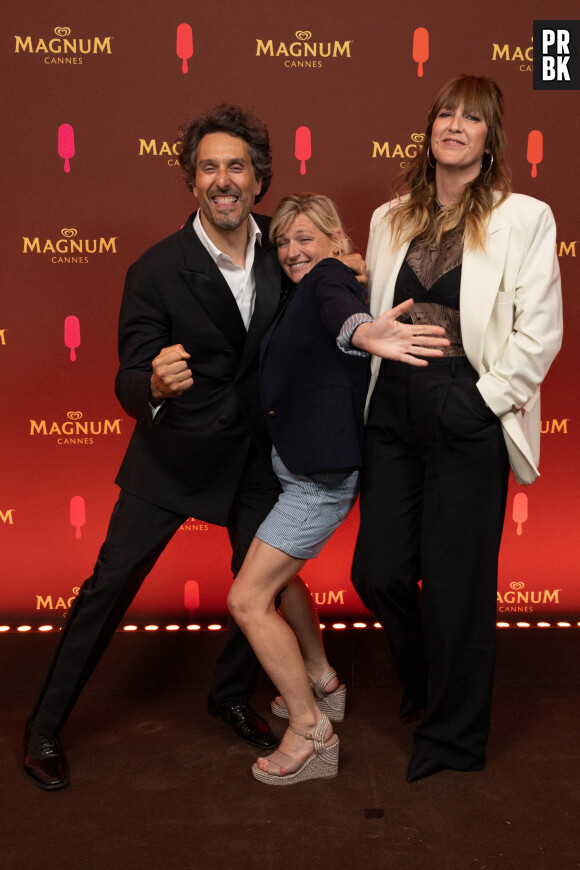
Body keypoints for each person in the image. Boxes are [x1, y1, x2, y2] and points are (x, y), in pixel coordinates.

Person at [23, 104, 293, 790]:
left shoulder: (285, 247)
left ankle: (230, 695)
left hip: (256, 456)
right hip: (172, 454)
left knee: (259, 587)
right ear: (191, 181)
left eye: (237, 166)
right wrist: (154, 382)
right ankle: (43, 729)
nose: (223, 179)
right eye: (209, 168)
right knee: (108, 587)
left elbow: (322, 296)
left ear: (258, 178)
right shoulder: (155, 270)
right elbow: (126, 376)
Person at [351, 75, 563, 782]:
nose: (455, 126)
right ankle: (427, 678)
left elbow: (539, 332)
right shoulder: (389, 218)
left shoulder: (524, 217)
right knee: (378, 570)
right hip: (391, 409)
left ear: (489, 138)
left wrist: (482, 400)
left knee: (455, 584)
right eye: (446, 113)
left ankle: (452, 738)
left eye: (472, 119)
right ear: (430, 127)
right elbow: (374, 318)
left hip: (465, 407)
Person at [227, 193, 448, 785]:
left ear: (333, 241)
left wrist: (361, 333)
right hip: (295, 465)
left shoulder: (327, 279)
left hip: (318, 478)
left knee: (248, 600)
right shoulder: (304, 285)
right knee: (280, 579)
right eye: (284, 242)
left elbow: (340, 313)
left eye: (306, 238)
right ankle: (323, 681)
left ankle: (309, 731)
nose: (294, 251)